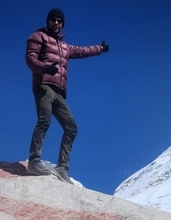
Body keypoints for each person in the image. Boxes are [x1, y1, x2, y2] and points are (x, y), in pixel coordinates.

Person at [25, 7, 109, 184]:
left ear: (62, 24)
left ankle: (62, 167)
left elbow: (82, 51)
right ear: (48, 21)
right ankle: (34, 161)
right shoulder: (38, 36)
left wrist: (100, 48)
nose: (56, 23)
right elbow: (30, 58)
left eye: (59, 21)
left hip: (59, 92)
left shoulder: (65, 47)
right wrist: (44, 68)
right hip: (44, 85)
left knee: (71, 127)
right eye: (53, 20)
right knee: (44, 120)